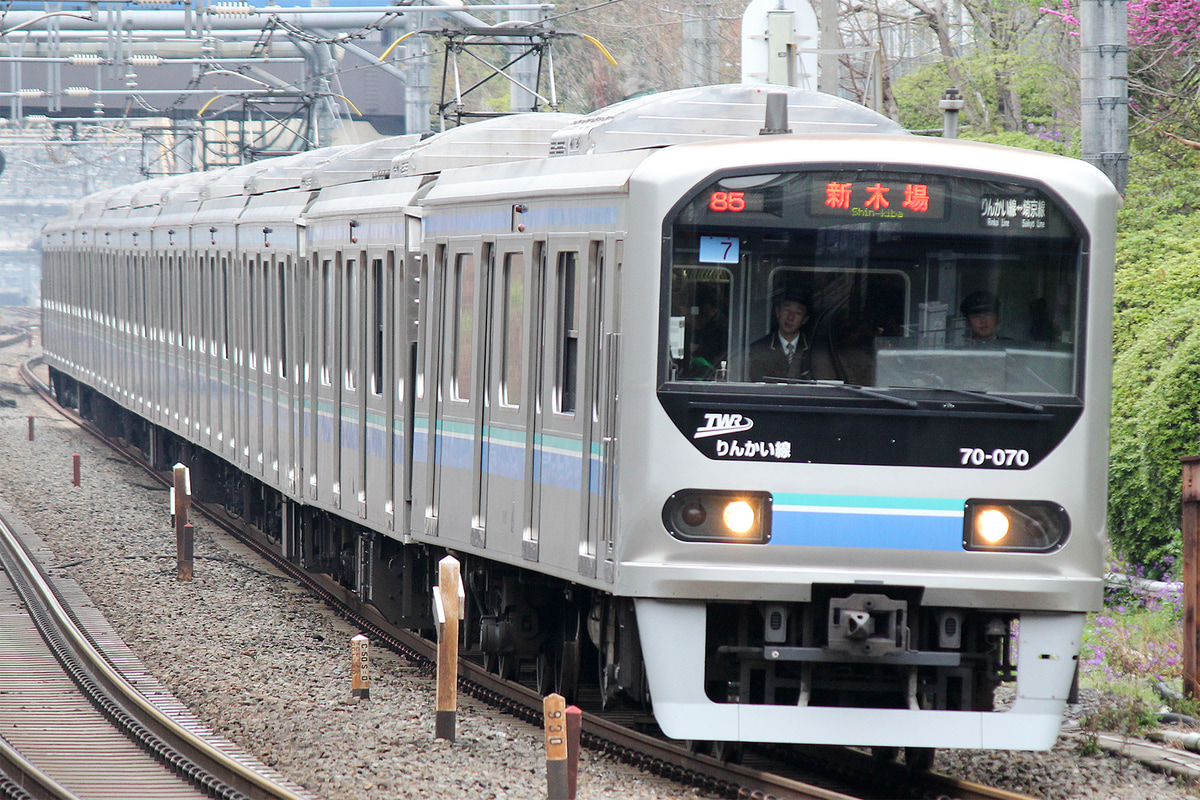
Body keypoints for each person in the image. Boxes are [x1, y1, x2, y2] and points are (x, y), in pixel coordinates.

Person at [748, 293, 813, 380]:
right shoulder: (759, 348)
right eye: (787, 310)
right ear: (778, 312)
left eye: (798, 313)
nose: (790, 317)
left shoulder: (814, 349)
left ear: (805, 320)